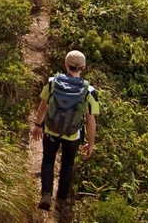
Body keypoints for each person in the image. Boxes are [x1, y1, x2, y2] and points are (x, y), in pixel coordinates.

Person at [31, 50, 100, 212]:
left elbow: (43, 106)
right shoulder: (89, 91)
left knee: (48, 159)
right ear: (83, 67)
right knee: (68, 164)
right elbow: (91, 122)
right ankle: (61, 199)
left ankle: (46, 194)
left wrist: (38, 125)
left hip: (51, 130)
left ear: (65, 64)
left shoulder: (52, 82)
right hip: (73, 135)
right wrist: (90, 144)